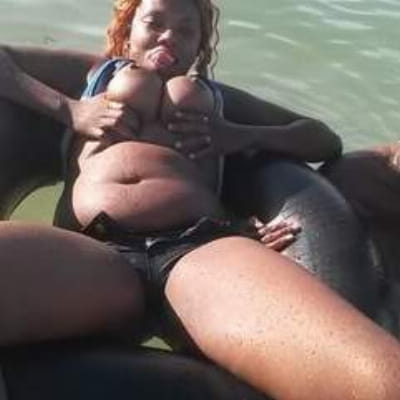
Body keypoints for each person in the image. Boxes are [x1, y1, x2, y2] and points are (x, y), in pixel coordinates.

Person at [1, 0, 400, 399]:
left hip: (198, 251)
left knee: (384, 379)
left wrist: (240, 135)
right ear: (127, 29)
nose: (168, 37)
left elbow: (323, 139)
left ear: (200, 46)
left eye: (185, 30)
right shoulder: (91, 76)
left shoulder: (216, 101)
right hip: (92, 249)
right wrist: (70, 110)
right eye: (154, 23)